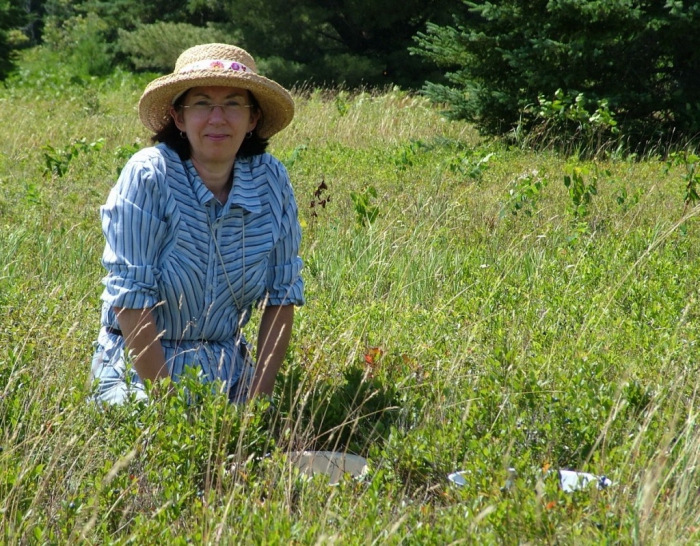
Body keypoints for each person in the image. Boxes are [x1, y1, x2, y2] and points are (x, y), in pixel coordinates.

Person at [90, 43, 304, 404]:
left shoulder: (271, 179)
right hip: (140, 368)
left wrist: (257, 401)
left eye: (234, 104)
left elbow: (282, 294)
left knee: (261, 449)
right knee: (149, 439)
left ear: (252, 118)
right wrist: (167, 408)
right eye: (202, 103)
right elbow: (130, 299)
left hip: (227, 366)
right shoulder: (149, 175)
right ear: (178, 117)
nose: (217, 118)